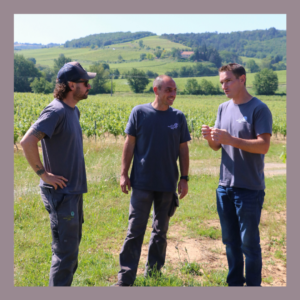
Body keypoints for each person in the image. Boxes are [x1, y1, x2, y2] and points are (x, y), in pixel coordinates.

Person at [20, 62, 96, 286]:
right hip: (61, 194)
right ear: (71, 85)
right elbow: (27, 141)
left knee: (70, 252)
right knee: (65, 255)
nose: (88, 86)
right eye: (85, 82)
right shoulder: (56, 110)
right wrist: (44, 175)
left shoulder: (73, 110)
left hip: (72, 192)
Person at [113, 75, 191, 286]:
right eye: (168, 90)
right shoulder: (140, 113)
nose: (172, 94)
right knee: (134, 231)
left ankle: (154, 274)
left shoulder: (178, 117)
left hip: (167, 184)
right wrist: (123, 173)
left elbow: (183, 150)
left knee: (160, 232)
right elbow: (129, 144)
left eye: (175, 90)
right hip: (142, 183)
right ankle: (125, 278)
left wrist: (184, 178)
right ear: (156, 91)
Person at [202, 63, 272, 286]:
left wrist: (231, 139)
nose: (224, 86)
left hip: (249, 188)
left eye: (228, 80)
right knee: (230, 242)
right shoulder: (223, 108)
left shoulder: (259, 109)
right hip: (225, 187)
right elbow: (218, 147)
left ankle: (252, 287)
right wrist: (211, 139)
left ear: (242, 80)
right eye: (222, 82)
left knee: (249, 244)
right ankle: (234, 285)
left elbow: (263, 146)